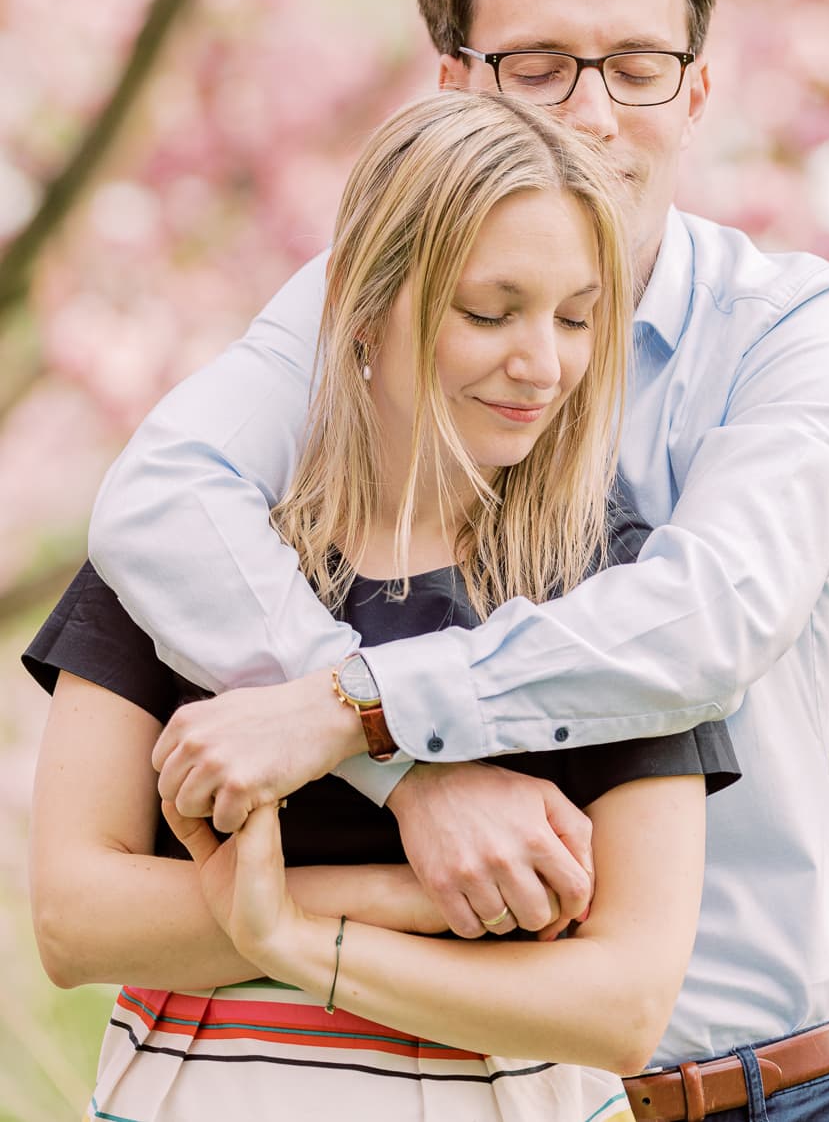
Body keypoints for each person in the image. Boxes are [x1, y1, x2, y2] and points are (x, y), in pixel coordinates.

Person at [88, 0, 829, 1120]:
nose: (591, 112)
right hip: (481, 1081)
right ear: (457, 85)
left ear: (696, 91)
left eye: (637, 65)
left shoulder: (797, 329)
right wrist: (412, 778)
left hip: (768, 1083)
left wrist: (367, 708)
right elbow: (161, 496)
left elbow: (707, 623)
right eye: (538, 64)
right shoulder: (358, 308)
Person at [27, 92, 738, 1120]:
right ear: (367, 302)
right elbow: (74, 922)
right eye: (490, 312)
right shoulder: (198, 555)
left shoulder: (611, 586)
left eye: (577, 317)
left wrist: (290, 940)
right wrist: (401, 896)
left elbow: (621, 1002)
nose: (542, 363)